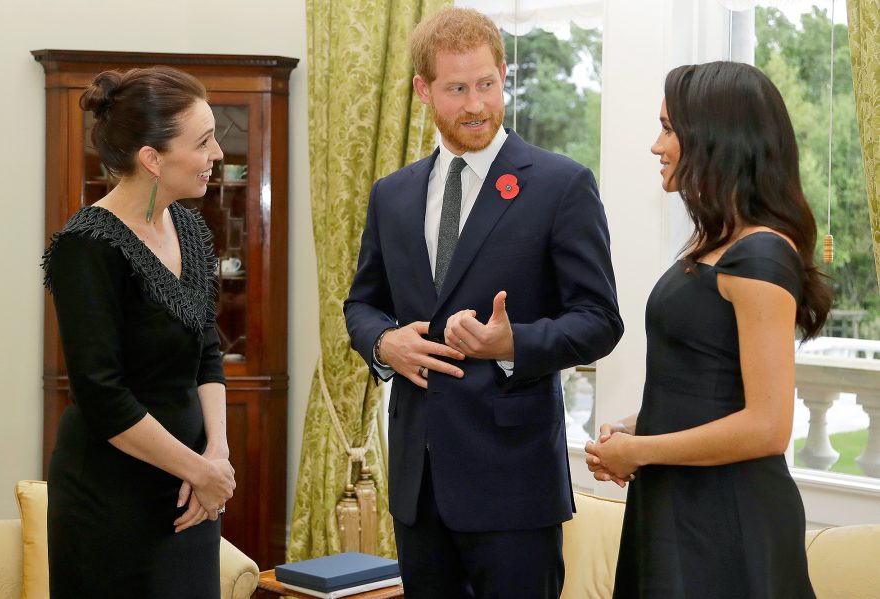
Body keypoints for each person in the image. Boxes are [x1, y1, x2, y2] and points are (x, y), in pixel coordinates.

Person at [344, 8, 623, 598]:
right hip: (418, 487)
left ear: (504, 74)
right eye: (456, 89)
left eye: (487, 84)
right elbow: (362, 304)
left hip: (515, 487)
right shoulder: (391, 195)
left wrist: (513, 343)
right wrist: (383, 342)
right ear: (423, 90)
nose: (476, 104)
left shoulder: (561, 184)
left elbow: (600, 320)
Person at [585, 61, 832, 598]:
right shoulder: (717, 246)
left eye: (670, 128)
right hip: (680, 506)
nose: (657, 145)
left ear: (716, 138)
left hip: (724, 522)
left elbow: (768, 426)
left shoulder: (761, 253)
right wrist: (638, 426)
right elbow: (710, 385)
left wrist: (643, 451)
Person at [42, 66, 236, 598]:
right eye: (203, 142)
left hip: (192, 494)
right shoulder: (85, 249)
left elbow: (208, 352)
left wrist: (215, 456)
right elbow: (102, 395)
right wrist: (198, 470)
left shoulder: (191, 228)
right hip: (111, 504)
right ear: (152, 158)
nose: (217, 153)